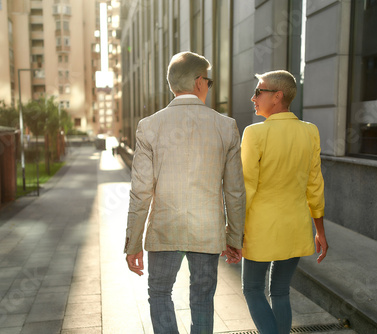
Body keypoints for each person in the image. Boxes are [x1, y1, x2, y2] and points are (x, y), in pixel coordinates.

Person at [124, 51, 246, 334]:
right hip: (207, 230)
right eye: (209, 81)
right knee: (202, 299)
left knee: (159, 293)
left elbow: (140, 192)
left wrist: (133, 243)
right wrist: (234, 237)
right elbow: (235, 191)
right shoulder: (225, 126)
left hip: (166, 229)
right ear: (200, 82)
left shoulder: (149, 126)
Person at [240, 70, 329, 334]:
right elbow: (315, 185)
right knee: (280, 292)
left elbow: (246, 187)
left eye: (258, 91)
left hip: (261, 229)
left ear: (277, 96)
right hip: (296, 227)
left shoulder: (255, 134)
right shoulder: (310, 131)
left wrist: (232, 229)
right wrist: (320, 231)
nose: (253, 97)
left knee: (252, 289)